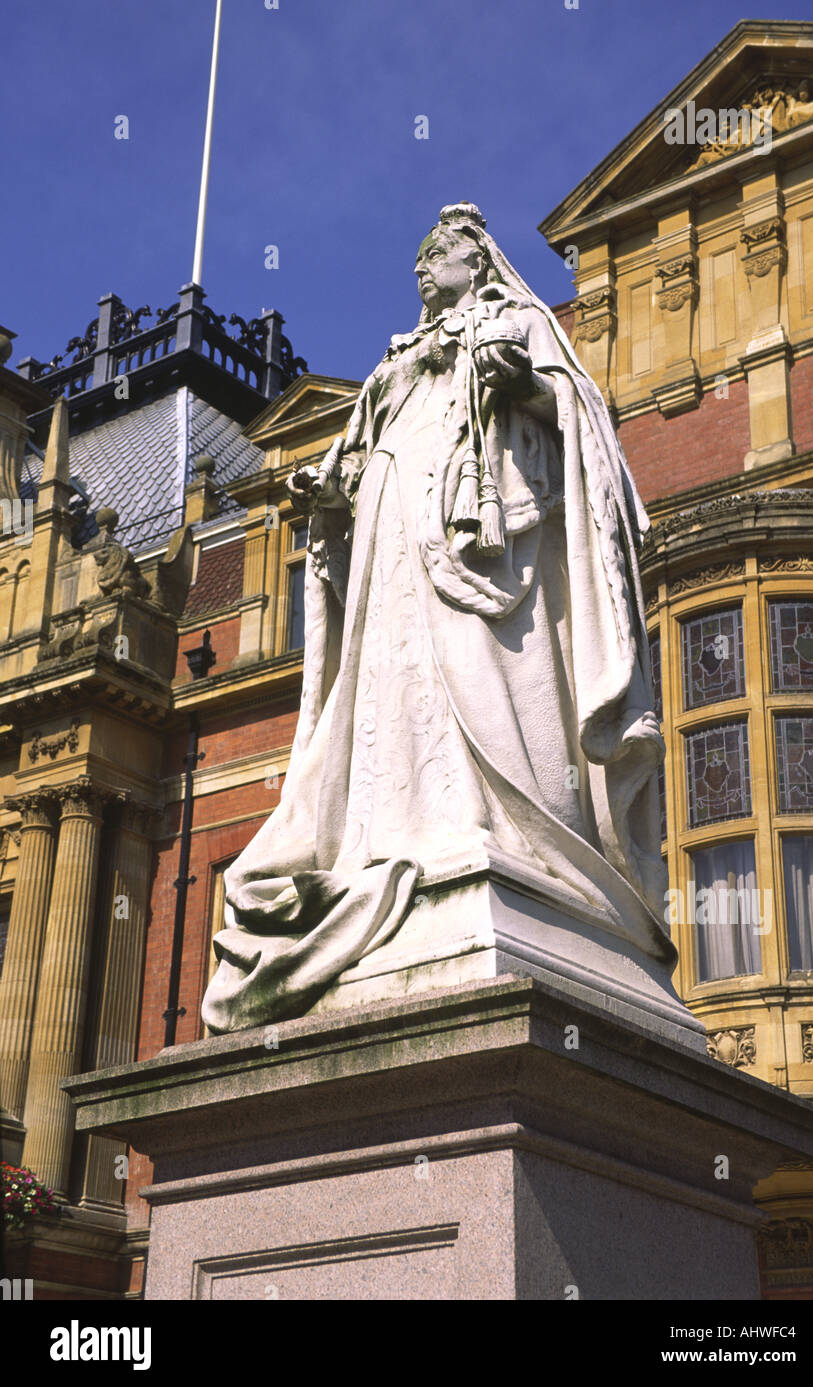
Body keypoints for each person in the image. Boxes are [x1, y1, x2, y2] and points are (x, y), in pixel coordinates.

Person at [202, 202, 668, 1033]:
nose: (423, 268)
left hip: (489, 542)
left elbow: (582, 421)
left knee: (488, 668)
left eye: (438, 254)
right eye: (417, 258)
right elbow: (356, 451)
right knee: (394, 682)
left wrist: (517, 381)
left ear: (476, 261)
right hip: (393, 542)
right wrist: (331, 495)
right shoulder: (396, 360)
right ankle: (407, 832)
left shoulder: (518, 321)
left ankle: (513, 834)